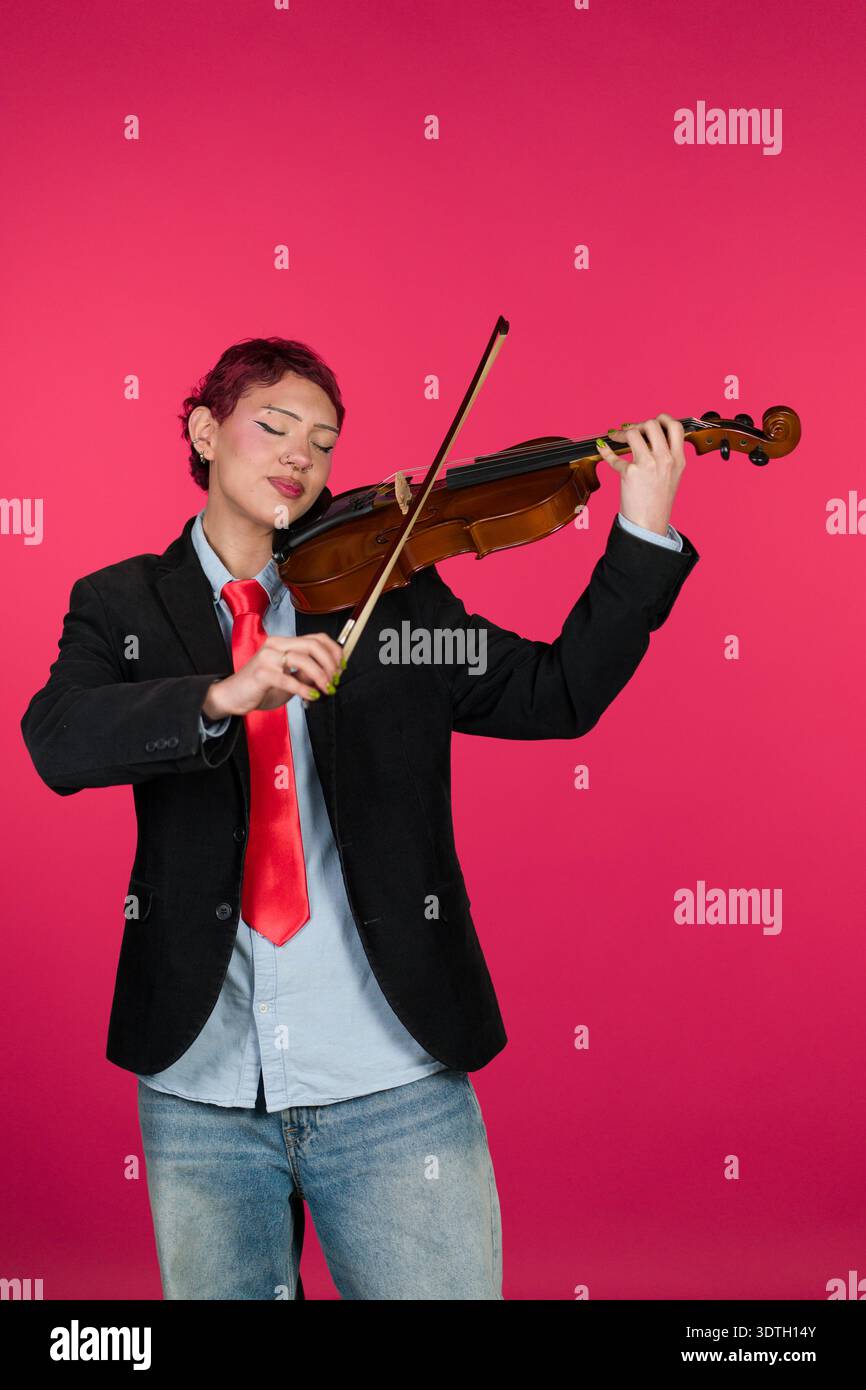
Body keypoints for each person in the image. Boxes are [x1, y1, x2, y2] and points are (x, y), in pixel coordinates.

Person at [20, 336, 699, 1300]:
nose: (303, 454)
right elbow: (57, 740)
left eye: (326, 441)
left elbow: (557, 696)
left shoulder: (389, 599)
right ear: (205, 432)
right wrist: (219, 694)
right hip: (202, 1090)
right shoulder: (122, 601)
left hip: (392, 1084)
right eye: (275, 425)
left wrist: (640, 533)